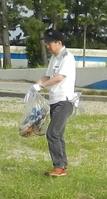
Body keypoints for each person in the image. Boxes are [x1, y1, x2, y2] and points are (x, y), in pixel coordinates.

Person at [26, 29, 76, 177]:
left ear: (59, 43)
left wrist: (41, 86)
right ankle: (62, 167)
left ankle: (59, 166)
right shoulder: (54, 58)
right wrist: (34, 87)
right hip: (54, 101)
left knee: (52, 133)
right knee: (58, 134)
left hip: (64, 101)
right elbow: (47, 75)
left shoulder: (67, 57)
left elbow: (59, 78)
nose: (47, 46)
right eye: (46, 43)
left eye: (49, 43)